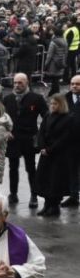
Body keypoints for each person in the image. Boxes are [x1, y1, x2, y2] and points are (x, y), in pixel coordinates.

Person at [3, 73, 48, 208]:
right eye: (15, 82)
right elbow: (2, 118)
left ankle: (34, 195)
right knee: (13, 168)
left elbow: (46, 117)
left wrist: (40, 135)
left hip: (29, 139)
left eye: (20, 83)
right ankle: (13, 193)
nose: (17, 85)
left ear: (27, 83)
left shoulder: (37, 98)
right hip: (12, 139)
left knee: (30, 168)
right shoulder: (8, 98)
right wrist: (5, 131)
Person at [35, 94, 73, 217]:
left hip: (58, 155)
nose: (52, 106)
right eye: (51, 104)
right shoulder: (47, 115)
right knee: (45, 180)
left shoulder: (68, 118)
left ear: (61, 105)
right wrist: (42, 147)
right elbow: (41, 132)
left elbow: (64, 138)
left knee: (56, 181)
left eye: (55, 104)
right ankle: (47, 205)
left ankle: (54, 206)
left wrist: (50, 149)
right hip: (45, 154)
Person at [63, 75, 80, 207]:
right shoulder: (65, 99)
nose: (74, 86)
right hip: (70, 142)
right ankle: (74, 195)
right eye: (72, 83)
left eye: (77, 84)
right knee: (72, 169)